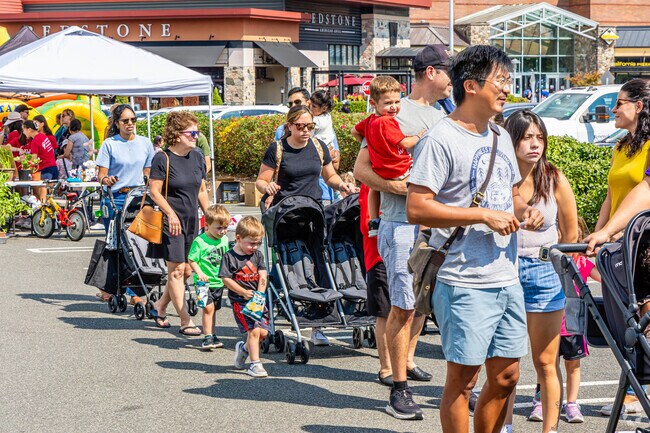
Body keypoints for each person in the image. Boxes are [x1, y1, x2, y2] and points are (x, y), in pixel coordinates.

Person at [406, 45, 543, 432]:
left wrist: (523, 211)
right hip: (464, 280)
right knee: (462, 382)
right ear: (471, 85)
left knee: (506, 378)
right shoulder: (442, 138)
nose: (506, 89)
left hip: (506, 277)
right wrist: (482, 214)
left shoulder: (499, 134)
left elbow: (512, 195)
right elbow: (418, 207)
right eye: (500, 81)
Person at [353, 44, 452, 420]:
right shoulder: (392, 113)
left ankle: (411, 366)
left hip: (437, 228)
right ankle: (398, 388)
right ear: (431, 73)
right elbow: (361, 170)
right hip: (401, 226)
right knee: (401, 306)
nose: (452, 80)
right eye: (448, 72)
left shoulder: (444, 114)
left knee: (425, 304)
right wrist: (401, 190)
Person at [505, 109, 578, 433]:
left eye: (540, 137)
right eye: (526, 137)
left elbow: (570, 234)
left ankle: (549, 429)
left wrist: (555, 262)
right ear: (512, 139)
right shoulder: (499, 176)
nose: (535, 144)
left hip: (545, 273)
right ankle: (504, 426)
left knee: (546, 362)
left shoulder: (554, 178)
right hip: (503, 272)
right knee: (505, 364)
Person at [258, 105, 356, 346]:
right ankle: (284, 308)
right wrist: (267, 187)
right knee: (290, 262)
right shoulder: (278, 149)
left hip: (314, 213)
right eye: (300, 126)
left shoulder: (318, 146)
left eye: (310, 126)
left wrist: (341, 185)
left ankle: (318, 325)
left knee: (317, 262)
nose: (305, 131)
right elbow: (261, 179)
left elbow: (329, 176)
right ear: (289, 125)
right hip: (286, 214)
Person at [584, 78, 650, 417]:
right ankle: (633, 387)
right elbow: (612, 196)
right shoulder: (622, 146)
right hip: (621, 245)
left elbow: (645, 192)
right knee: (625, 323)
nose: (613, 109)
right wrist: (596, 236)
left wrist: (609, 231)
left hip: (645, 246)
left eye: (619, 102)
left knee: (644, 321)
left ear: (638, 106)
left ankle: (638, 392)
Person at [149, 111, 210, 335]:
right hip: (170, 221)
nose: (196, 136)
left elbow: (202, 189)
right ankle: (185, 320)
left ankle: (160, 305)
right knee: (176, 271)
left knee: (186, 272)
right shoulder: (162, 158)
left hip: (192, 219)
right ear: (177, 135)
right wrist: (170, 214)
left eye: (197, 132)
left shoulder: (197, 156)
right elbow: (154, 192)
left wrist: (210, 216)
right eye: (191, 132)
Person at [352, 75, 425, 237]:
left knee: (374, 188)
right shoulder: (387, 122)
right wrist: (419, 136)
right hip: (399, 168)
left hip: (381, 169)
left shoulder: (370, 120)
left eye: (397, 102)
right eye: (388, 103)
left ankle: (374, 220)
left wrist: (372, 144)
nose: (394, 107)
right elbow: (405, 144)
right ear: (373, 103)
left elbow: (354, 131)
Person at [96, 104, 154, 301]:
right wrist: (107, 180)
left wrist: (151, 183)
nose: (130, 124)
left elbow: (148, 172)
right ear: (117, 123)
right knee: (115, 244)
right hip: (116, 198)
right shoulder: (109, 144)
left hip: (139, 198)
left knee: (138, 244)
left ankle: (134, 291)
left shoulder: (145, 143)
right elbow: (101, 175)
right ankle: (109, 287)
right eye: (125, 121)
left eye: (133, 120)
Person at [558, 218, 601, 423]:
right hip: (549, 323)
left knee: (572, 366)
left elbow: (603, 276)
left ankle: (572, 403)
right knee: (546, 364)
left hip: (573, 323)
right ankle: (540, 399)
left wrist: (598, 252)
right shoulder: (549, 260)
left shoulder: (582, 262)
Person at [219, 216, 270, 378]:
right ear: (238, 238)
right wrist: (242, 292)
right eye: (251, 243)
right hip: (240, 302)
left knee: (263, 333)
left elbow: (263, 274)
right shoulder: (229, 257)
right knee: (253, 331)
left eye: (258, 243)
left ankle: (244, 349)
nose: (255, 247)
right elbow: (226, 278)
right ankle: (255, 364)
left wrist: (260, 293)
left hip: (258, 300)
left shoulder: (257, 256)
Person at [276, 87, 341, 205]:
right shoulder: (282, 130)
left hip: (322, 194)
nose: (293, 106)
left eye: (297, 102)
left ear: (308, 103)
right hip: (289, 199)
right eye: (290, 103)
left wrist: (328, 155)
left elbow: (335, 165)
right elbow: (278, 164)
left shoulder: (324, 129)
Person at [188, 204, 231, 350]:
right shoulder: (200, 241)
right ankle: (207, 337)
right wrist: (199, 273)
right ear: (207, 226)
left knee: (213, 310)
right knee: (208, 308)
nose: (222, 231)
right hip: (203, 283)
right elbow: (192, 260)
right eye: (218, 228)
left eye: (225, 228)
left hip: (218, 281)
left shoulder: (224, 240)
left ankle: (212, 333)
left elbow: (226, 258)